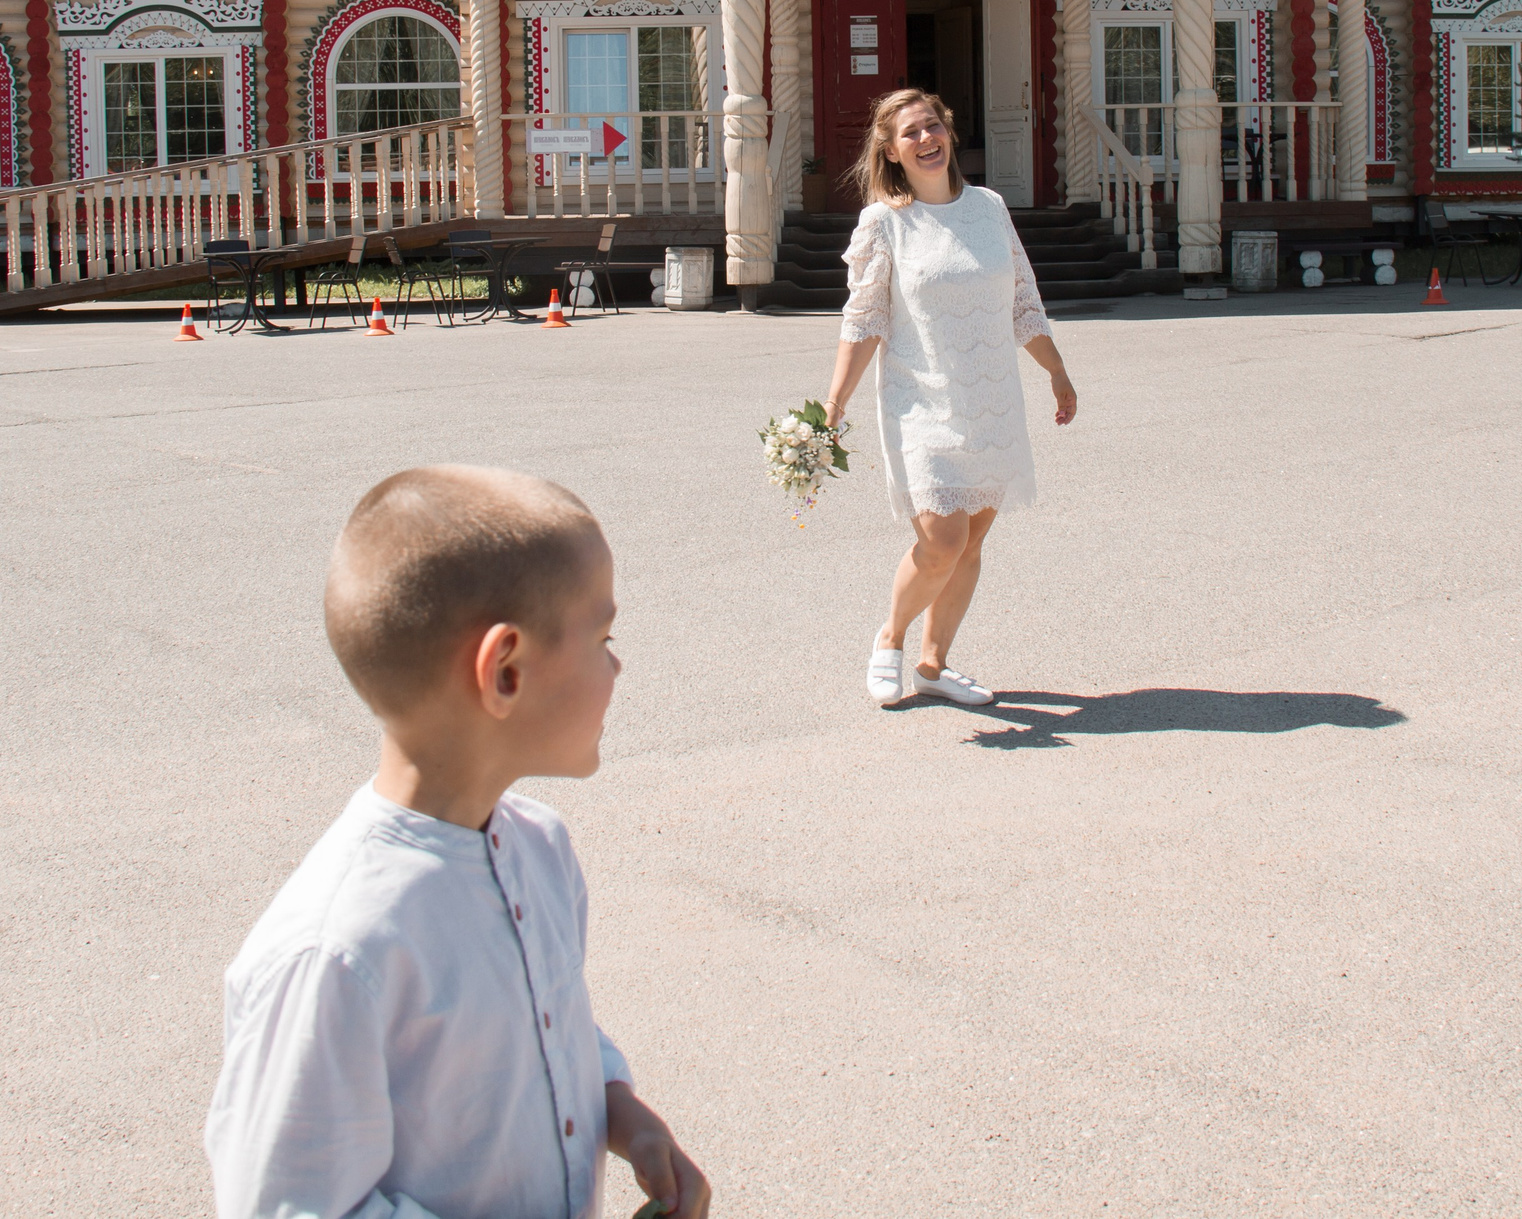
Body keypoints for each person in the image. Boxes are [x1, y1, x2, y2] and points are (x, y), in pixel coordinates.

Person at [204, 466, 710, 1219]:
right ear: (504, 669)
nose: (618, 663)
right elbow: (288, 1203)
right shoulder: (336, 952)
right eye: (604, 636)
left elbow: (546, 1023)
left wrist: (617, 1107)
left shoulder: (539, 845)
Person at [824, 88, 1079, 707]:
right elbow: (864, 321)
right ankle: (890, 638)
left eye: (932, 126)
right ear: (890, 150)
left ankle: (934, 668)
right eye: (910, 133)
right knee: (942, 541)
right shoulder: (885, 222)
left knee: (971, 544)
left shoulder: (990, 207)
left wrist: (1056, 371)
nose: (925, 140)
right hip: (921, 403)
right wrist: (833, 406)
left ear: (950, 132)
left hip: (991, 399)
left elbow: (1024, 299)